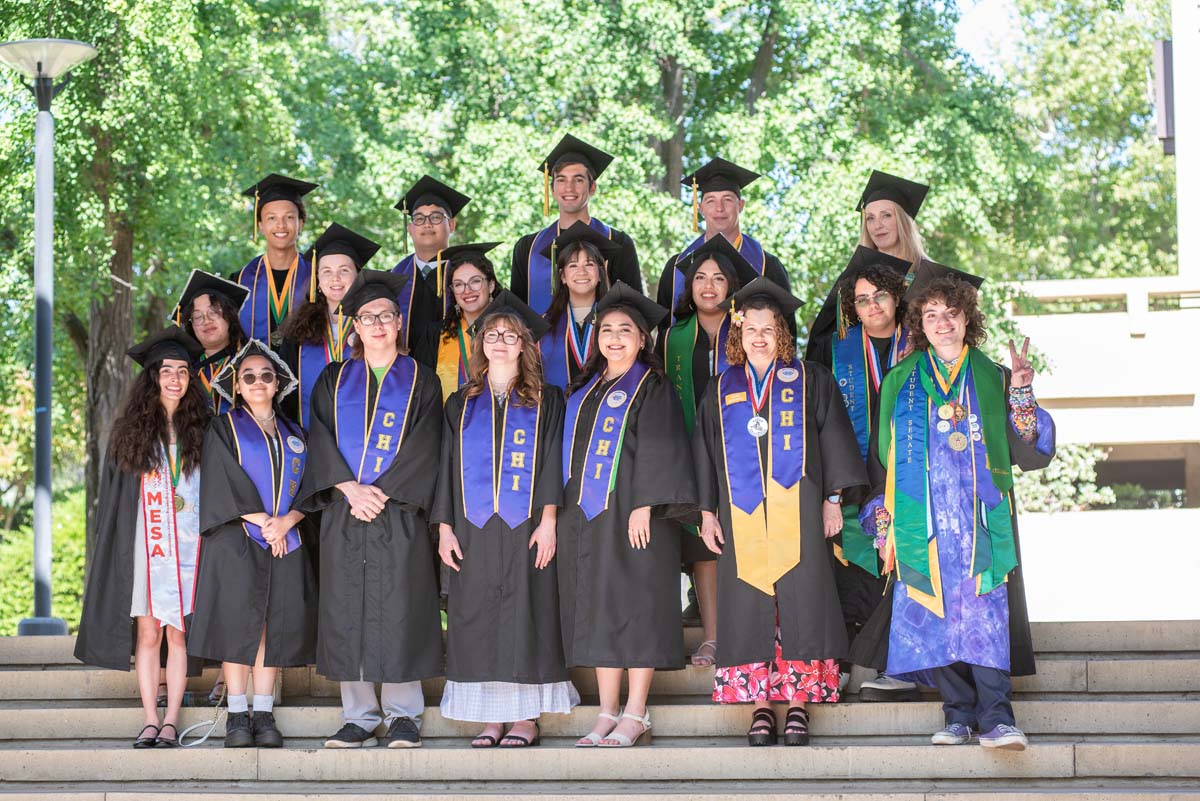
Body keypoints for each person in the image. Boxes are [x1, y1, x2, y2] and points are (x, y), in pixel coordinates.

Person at [851, 263, 1056, 751]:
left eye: (951, 313)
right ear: (919, 324)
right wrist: (882, 515)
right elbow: (882, 457)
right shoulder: (900, 380)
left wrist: (1021, 393)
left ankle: (999, 718)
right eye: (931, 314)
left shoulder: (994, 376)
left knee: (985, 616)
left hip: (980, 519)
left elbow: (1029, 449)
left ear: (968, 319)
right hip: (922, 519)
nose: (942, 322)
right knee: (929, 613)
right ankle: (958, 714)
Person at [691, 277, 866, 746]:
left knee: (801, 602)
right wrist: (706, 512)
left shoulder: (810, 379)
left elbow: (834, 438)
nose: (760, 337)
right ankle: (761, 707)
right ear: (738, 333)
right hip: (740, 518)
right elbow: (704, 452)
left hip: (800, 515)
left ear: (782, 333)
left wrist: (833, 500)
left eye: (769, 328)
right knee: (750, 603)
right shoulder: (721, 388)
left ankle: (798, 704)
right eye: (751, 328)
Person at [295, 269, 443, 749]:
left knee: (400, 606)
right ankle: (358, 716)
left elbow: (427, 445)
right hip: (345, 511)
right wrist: (348, 488)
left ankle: (403, 715)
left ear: (399, 322)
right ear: (354, 326)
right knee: (347, 608)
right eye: (367, 317)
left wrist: (379, 493)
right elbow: (318, 437)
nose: (377, 324)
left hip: (398, 512)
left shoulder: (422, 379)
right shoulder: (334, 379)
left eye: (385, 316)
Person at [434, 290, 578, 748]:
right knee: (477, 618)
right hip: (472, 528)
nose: (500, 342)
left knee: (526, 615)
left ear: (524, 345)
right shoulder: (460, 403)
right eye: (492, 335)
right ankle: (490, 717)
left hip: (527, 526)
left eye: (510, 336)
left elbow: (554, 460)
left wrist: (549, 520)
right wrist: (444, 528)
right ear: (480, 344)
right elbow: (445, 468)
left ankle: (524, 717)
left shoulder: (547, 400)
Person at [558, 282, 696, 748]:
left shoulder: (653, 387)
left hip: (637, 517)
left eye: (625, 330)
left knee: (637, 607)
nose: (614, 338)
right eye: (606, 330)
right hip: (590, 519)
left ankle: (636, 712)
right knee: (601, 608)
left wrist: (644, 505)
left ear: (642, 339)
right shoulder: (583, 391)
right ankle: (606, 712)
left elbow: (662, 447)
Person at [74, 326, 209, 749]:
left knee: (179, 635)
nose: (175, 379)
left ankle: (171, 721)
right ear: (152, 377)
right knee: (148, 634)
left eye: (182, 371)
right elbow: (115, 502)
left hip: (189, 547)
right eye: (166, 371)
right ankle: (150, 719)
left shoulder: (205, 431)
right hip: (148, 547)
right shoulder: (130, 435)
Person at [803, 246, 921, 701]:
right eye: (862, 299)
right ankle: (852, 659)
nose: (872, 306)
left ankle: (902, 662)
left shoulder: (921, 345)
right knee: (853, 565)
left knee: (905, 562)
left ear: (897, 298)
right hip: (852, 476)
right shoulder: (836, 350)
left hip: (909, 472)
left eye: (880, 296)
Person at [188, 340, 318, 748]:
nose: (258, 382)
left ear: (278, 383)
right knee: (239, 627)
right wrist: (264, 521)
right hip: (238, 541)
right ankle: (236, 715)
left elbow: (312, 485)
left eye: (266, 375)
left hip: (286, 542)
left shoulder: (296, 434)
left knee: (271, 626)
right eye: (249, 377)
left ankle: (263, 713)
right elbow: (222, 479)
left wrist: (287, 522)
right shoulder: (223, 428)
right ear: (237, 386)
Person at [655, 235, 758, 668]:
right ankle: (713, 637)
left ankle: (755, 634)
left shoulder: (752, 332)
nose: (708, 286)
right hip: (687, 452)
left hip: (745, 452)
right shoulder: (670, 338)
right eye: (699, 277)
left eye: (718, 278)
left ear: (732, 285)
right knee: (703, 545)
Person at [510, 134, 642, 314]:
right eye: (561, 180)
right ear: (552, 189)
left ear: (592, 187)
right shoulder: (527, 248)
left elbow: (634, 312)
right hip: (542, 334)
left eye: (578, 180)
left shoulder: (618, 242)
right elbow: (517, 316)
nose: (569, 188)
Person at [655, 157, 791, 330]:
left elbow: (787, 332)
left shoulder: (768, 267)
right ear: (700, 208)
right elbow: (664, 335)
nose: (719, 208)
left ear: (740, 205)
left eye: (727, 199)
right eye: (711, 201)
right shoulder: (675, 269)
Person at [278, 222, 381, 428]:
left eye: (344, 270)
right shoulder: (298, 331)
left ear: (358, 275)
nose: (335, 278)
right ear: (317, 279)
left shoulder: (376, 324)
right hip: (310, 436)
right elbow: (286, 394)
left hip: (365, 435)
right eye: (326, 271)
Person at [390, 175, 471, 364]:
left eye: (436, 217)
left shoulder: (468, 272)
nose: (427, 224)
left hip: (459, 372)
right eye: (419, 219)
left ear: (451, 225)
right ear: (410, 229)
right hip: (405, 374)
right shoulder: (395, 277)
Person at [231, 173, 318, 346]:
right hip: (256, 363)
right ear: (261, 226)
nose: (281, 225)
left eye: (289, 217)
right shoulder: (239, 281)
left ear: (300, 224)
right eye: (272, 218)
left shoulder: (318, 276)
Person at [537, 221, 616, 390]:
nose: (582, 271)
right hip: (558, 406)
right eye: (573, 265)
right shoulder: (544, 325)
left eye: (589, 264)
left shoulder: (616, 321)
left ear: (600, 275)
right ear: (563, 277)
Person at [171, 271, 250, 415]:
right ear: (191, 325)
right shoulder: (184, 370)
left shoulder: (249, 363)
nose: (206, 320)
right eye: (197, 316)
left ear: (230, 316)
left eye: (213, 312)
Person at [430, 242, 502, 401]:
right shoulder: (435, 335)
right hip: (449, 415)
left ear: (491, 285)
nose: (467, 290)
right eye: (458, 284)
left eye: (475, 281)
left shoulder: (511, 332)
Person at [856, 170, 930, 272]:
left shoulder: (929, 272)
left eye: (886, 215)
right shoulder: (859, 273)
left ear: (902, 221)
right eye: (870, 218)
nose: (877, 226)